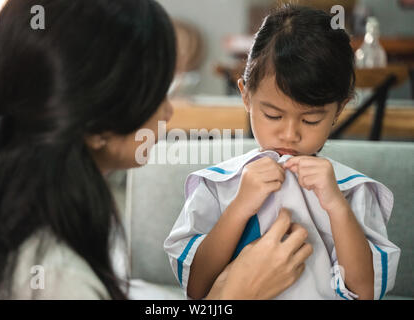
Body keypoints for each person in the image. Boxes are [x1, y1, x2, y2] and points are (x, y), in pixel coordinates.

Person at [0, 0, 311, 300]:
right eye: (157, 92)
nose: (168, 111)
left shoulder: (19, 197)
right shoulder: (54, 273)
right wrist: (234, 293)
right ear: (98, 123)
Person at [164, 6, 400, 300]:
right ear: (246, 95)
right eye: (273, 116)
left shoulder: (354, 192)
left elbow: (366, 292)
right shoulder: (218, 185)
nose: (290, 134)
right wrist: (239, 207)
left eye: (311, 120)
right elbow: (197, 290)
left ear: (339, 109)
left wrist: (337, 207)